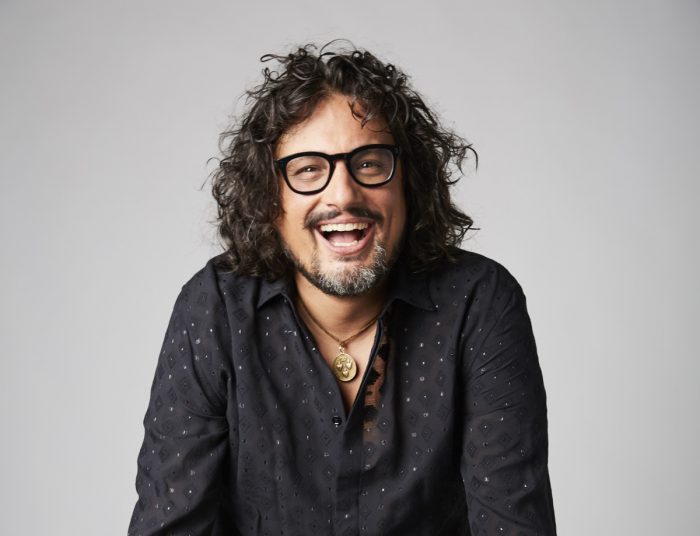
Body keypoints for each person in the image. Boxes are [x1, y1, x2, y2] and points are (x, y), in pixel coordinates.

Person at [127, 42, 557, 536]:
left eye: (369, 163)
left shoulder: (479, 302)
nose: (344, 194)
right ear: (269, 198)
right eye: (308, 169)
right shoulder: (214, 309)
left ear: (408, 184)